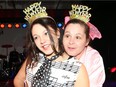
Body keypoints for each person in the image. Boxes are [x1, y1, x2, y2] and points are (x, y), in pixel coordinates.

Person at [13, 2, 89, 87]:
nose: (42, 41)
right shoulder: (33, 58)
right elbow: (18, 80)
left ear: (57, 33)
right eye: (36, 37)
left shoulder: (77, 68)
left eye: (46, 33)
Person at [62, 4, 105, 87]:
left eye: (77, 37)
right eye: (67, 36)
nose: (71, 42)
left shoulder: (93, 58)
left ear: (87, 41)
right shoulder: (58, 55)